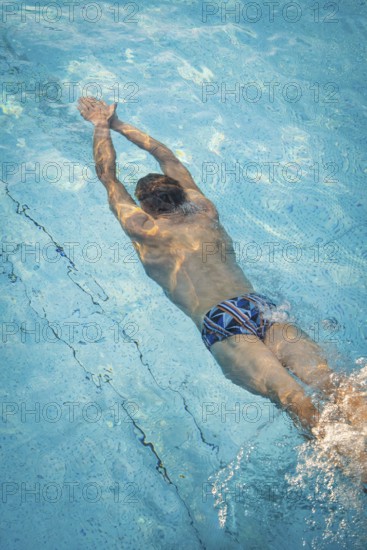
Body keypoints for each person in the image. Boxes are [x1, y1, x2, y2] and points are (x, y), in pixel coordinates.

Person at [77, 97, 365, 439]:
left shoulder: (144, 229)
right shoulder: (204, 210)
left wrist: (99, 125)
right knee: (331, 382)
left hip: (222, 322)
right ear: (181, 194)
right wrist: (119, 123)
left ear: (144, 206)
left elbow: (107, 177)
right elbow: (166, 156)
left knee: (295, 399)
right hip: (259, 306)